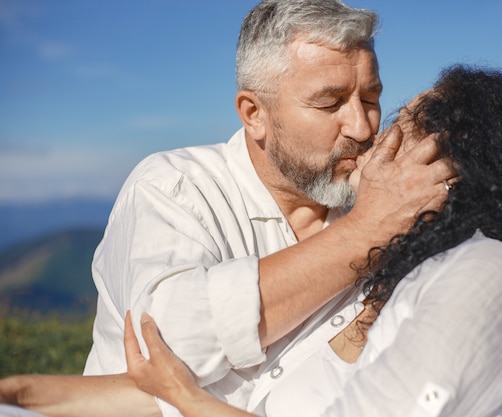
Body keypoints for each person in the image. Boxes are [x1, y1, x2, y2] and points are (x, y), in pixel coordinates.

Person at [0, 1, 453, 416]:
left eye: (370, 99)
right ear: (254, 113)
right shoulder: (175, 186)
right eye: (329, 102)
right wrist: (363, 233)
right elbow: (169, 341)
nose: (361, 126)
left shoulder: (393, 208)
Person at [121, 65, 502, 417]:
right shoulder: (398, 266)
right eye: (331, 102)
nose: (367, 132)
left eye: (390, 119)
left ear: (451, 165)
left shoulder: (485, 272)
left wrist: (189, 401)